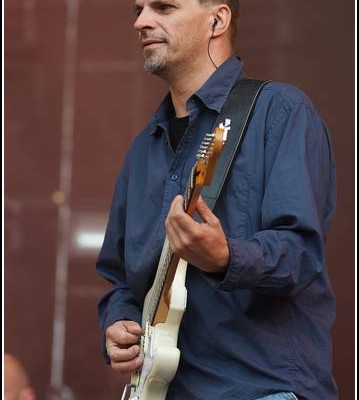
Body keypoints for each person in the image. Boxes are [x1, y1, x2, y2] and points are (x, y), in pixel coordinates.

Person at [96, 1, 339, 399]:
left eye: (164, 7)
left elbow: (300, 254)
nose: (141, 21)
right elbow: (118, 276)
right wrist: (118, 320)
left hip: (261, 386)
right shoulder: (143, 149)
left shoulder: (279, 112)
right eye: (138, 9)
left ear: (218, 20)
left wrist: (226, 257)